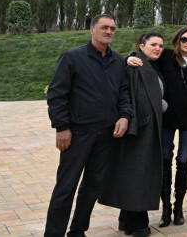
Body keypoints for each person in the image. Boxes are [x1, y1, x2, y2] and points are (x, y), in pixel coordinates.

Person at [45, 14, 132, 237]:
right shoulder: (72, 57)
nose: (109, 31)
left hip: (106, 135)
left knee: (92, 186)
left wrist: (124, 116)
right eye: (104, 27)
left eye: (113, 28)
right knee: (66, 186)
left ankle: (78, 231)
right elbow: (56, 95)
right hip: (77, 134)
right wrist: (62, 127)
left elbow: (123, 93)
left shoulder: (117, 61)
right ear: (92, 30)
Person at [126, 26, 187, 227]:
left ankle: (178, 207)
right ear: (177, 41)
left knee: (183, 161)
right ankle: (166, 209)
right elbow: (144, 59)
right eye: (183, 39)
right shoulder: (166, 57)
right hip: (167, 118)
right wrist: (129, 58)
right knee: (165, 160)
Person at [99, 32, 167, 236]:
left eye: (160, 45)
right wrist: (134, 124)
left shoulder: (150, 64)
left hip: (146, 128)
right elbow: (126, 96)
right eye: (153, 44)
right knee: (138, 174)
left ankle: (128, 222)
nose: (158, 48)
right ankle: (139, 224)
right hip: (139, 130)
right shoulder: (136, 65)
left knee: (135, 173)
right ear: (142, 46)